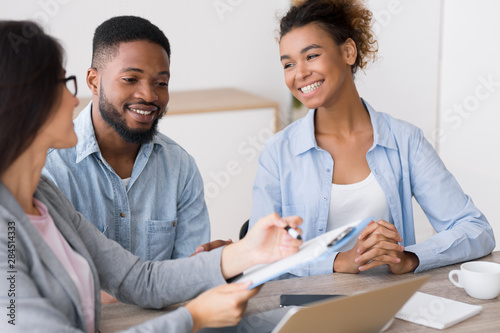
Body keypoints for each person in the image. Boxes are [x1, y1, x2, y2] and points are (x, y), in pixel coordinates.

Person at [0, 20, 303, 332]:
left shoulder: (45, 197)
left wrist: (248, 250)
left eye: (161, 82)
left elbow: (137, 278)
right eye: (62, 85)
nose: (72, 99)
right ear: (20, 102)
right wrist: (194, 317)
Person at [249, 0, 495, 277]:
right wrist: (338, 262)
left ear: (348, 52)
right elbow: (259, 255)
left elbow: (476, 229)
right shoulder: (278, 153)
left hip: (388, 307)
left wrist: (410, 257)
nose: (300, 73)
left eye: (311, 56)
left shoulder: (405, 141)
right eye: (288, 64)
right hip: (306, 310)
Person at [42, 15, 221, 263]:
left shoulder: (180, 166)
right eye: (130, 79)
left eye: (161, 82)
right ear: (94, 81)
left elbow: (190, 278)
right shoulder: (48, 168)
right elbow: (57, 287)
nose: (149, 95)